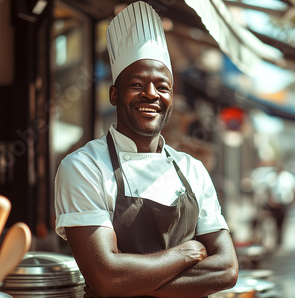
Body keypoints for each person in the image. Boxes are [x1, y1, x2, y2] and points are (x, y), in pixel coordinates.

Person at [54, 2, 238, 297]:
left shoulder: (192, 169)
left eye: (162, 87)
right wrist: (187, 253)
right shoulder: (84, 167)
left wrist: (132, 282)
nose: (151, 94)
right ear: (114, 94)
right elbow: (106, 278)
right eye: (137, 84)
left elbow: (227, 270)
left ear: (171, 98)